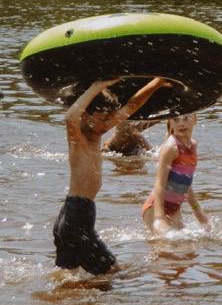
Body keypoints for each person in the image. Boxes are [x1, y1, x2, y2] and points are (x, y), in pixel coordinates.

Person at [54, 77, 171, 275]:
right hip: (76, 217)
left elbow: (131, 106)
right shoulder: (78, 139)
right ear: (86, 115)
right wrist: (96, 86)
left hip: (73, 216)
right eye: (102, 118)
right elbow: (70, 117)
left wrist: (157, 83)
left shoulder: (96, 133)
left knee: (67, 276)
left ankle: (59, 297)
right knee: (114, 273)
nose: (106, 124)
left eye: (108, 118)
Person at [142, 113, 210, 235]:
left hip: (175, 209)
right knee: (165, 246)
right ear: (170, 123)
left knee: (189, 245)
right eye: (176, 119)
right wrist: (159, 217)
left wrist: (199, 213)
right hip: (155, 208)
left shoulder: (193, 145)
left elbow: (185, 183)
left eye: (186, 118)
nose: (181, 123)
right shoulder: (170, 148)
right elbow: (160, 184)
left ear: (195, 119)